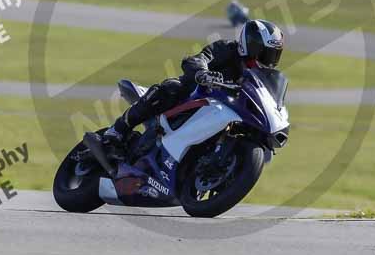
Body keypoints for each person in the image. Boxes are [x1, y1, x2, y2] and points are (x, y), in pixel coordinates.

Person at [104, 19, 284, 155]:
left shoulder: (260, 77)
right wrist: (202, 73)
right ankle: (117, 130)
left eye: (274, 55)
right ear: (251, 45)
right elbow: (198, 59)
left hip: (225, 111)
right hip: (196, 96)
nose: (269, 59)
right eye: (265, 53)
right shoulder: (226, 49)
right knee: (172, 88)